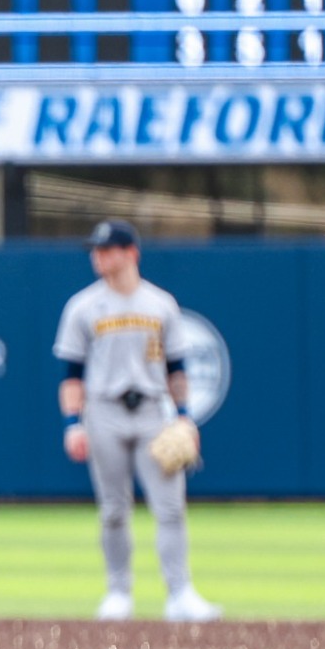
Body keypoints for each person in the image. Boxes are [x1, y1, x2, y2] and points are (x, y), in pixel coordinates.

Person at [54, 219, 222, 623]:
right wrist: (73, 423)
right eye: (96, 250)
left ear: (131, 253)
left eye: (107, 249)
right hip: (104, 410)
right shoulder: (82, 306)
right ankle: (118, 593)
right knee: (114, 509)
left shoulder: (160, 303)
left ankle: (180, 594)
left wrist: (184, 418)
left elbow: (176, 368)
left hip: (151, 410)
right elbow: (71, 374)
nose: (98, 257)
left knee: (171, 507)